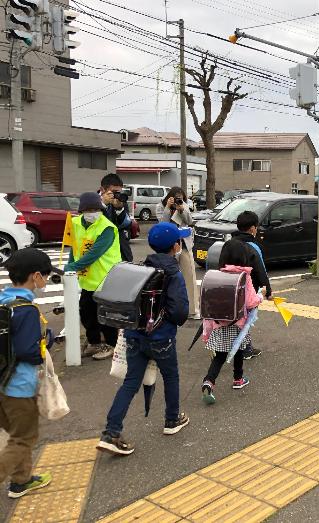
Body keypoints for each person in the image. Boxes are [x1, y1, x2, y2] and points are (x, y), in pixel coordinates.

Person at [97, 222, 190, 456]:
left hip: (134, 335)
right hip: (161, 338)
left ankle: (111, 432)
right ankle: (172, 420)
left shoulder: (140, 268)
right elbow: (180, 313)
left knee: (131, 382)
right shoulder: (173, 274)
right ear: (175, 246)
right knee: (171, 376)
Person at [0, 249, 60, 498]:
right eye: (45, 276)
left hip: (1, 382)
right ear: (35, 276)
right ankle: (17, 478)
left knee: (17, 435)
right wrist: (46, 341)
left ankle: (21, 480)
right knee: (24, 437)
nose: (46, 281)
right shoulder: (27, 309)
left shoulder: (4, 302)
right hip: (18, 387)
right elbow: (29, 352)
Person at [201, 239, 264, 403]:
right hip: (239, 325)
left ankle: (209, 380)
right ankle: (238, 379)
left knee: (220, 356)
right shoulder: (245, 277)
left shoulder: (218, 275)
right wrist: (260, 296)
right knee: (239, 351)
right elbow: (251, 302)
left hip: (220, 323)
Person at [65, 192, 121, 361]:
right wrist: (70, 265)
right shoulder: (74, 223)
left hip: (107, 276)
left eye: (96, 209)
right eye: (88, 209)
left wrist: (73, 267)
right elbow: (73, 248)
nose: (92, 213)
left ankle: (111, 344)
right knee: (86, 311)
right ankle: (94, 342)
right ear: (81, 211)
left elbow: (95, 253)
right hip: (88, 278)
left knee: (105, 314)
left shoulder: (107, 227)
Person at [229, 210, 272, 359]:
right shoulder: (253, 247)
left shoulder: (229, 243)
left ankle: (228, 345)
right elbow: (261, 271)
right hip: (249, 290)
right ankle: (246, 349)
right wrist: (269, 291)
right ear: (253, 228)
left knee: (233, 317)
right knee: (246, 320)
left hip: (229, 288)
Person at [157, 187, 199, 319]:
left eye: (180, 198)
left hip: (184, 245)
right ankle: (164, 309)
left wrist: (181, 210)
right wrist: (168, 208)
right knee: (166, 277)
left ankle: (192, 310)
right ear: (169, 197)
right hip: (167, 246)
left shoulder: (184, 205)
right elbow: (162, 224)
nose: (178, 200)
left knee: (189, 276)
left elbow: (190, 221)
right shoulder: (161, 205)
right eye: (175, 198)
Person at [99, 173, 133, 263]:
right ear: (102, 190)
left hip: (121, 251)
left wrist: (119, 209)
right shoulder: (93, 201)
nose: (117, 195)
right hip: (101, 252)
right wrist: (103, 205)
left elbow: (126, 225)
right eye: (114, 192)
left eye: (119, 192)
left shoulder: (121, 201)